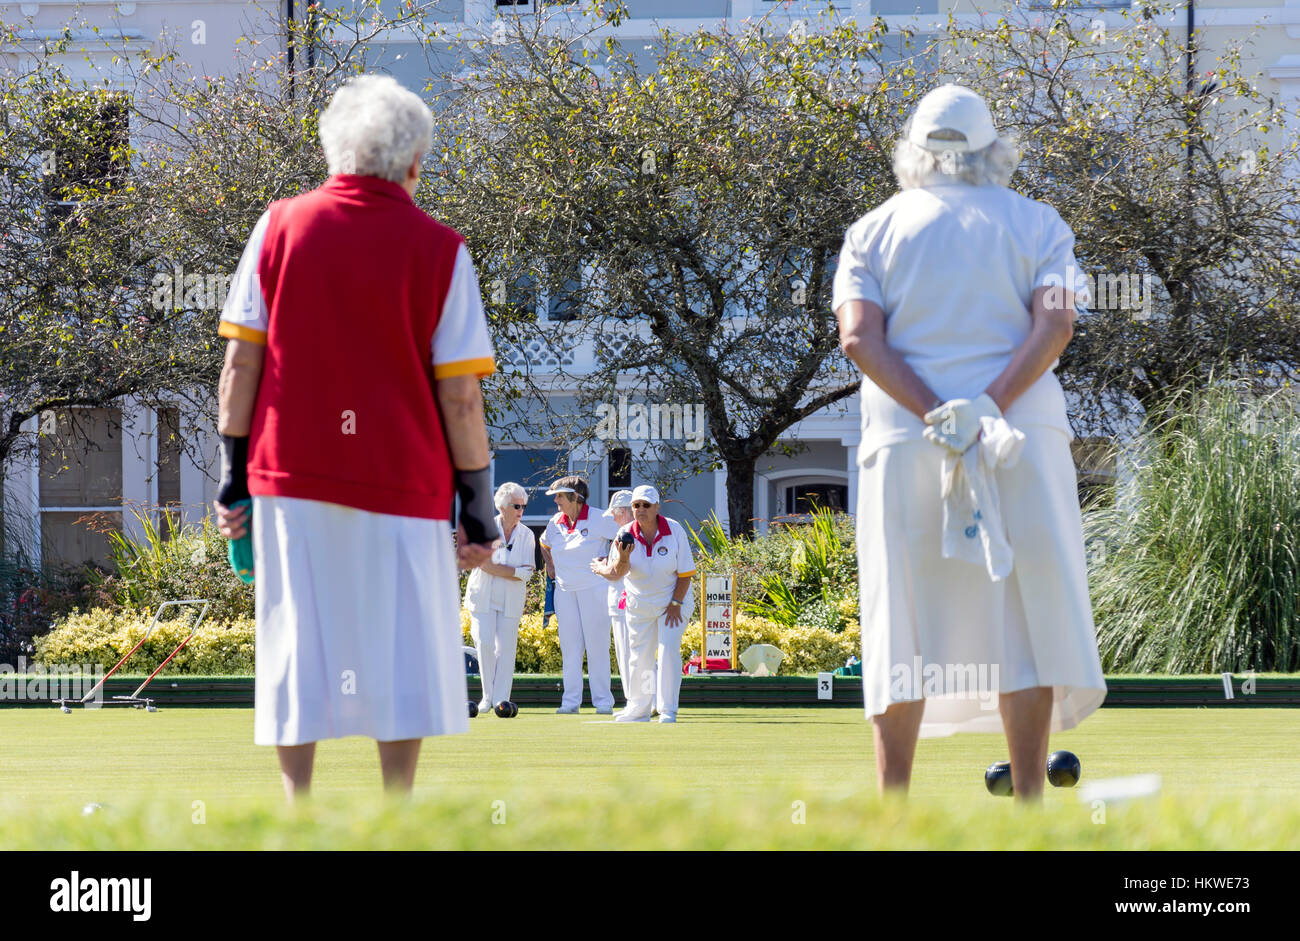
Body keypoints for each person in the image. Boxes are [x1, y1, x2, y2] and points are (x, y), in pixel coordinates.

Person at [212, 75, 498, 802]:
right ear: (414, 162)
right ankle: (395, 809)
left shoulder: (277, 226)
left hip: (290, 475)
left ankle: (295, 808)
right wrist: (480, 507)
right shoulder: (440, 249)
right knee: (402, 649)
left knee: (294, 639)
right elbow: (461, 395)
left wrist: (230, 472)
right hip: (403, 478)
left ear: (333, 151)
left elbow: (241, 361)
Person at [831, 83, 1106, 800]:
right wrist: (984, 407)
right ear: (991, 150)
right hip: (1017, 436)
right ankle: (1028, 805)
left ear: (915, 151)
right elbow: (1056, 325)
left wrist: (938, 412)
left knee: (902, 619)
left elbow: (860, 337)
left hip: (904, 439)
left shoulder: (873, 229)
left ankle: (895, 810)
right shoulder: (1039, 223)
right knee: (1027, 616)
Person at [593, 485, 696, 723]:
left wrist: (675, 603)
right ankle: (640, 708)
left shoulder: (675, 531)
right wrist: (625, 557)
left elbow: (686, 573)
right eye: (637, 505)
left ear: (657, 507)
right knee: (640, 657)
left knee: (668, 649)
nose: (641, 509)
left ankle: (667, 709)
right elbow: (618, 573)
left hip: (674, 601)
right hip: (639, 603)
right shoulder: (624, 534)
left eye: (646, 505)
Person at [539, 476, 620, 714]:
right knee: (570, 648)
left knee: (597, 647)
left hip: (595, 590)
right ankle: (570, 702)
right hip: (565, 592)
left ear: (576, 498)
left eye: (560, 496)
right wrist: (551, 567)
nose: (556, 501)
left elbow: (625, 536)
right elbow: (544, 543)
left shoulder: (600, 518)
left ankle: (603, 702)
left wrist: (612, 559)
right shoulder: (556, 522)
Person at [464, 482, 535, 714]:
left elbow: (529, 570)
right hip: (483, 596)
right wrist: (514, 572)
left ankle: (501, 700)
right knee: (484, 642)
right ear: (503, 506)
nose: (521, 510)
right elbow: (485, 565)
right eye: (516, 505)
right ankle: (487, 696)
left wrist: (505, 570)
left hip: (510, 600)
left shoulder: (527, 535)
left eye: (523, 505)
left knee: (505, 649)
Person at [601, 490, 635, 701]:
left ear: (622, 511)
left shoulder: (624, 534)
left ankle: (635, 700)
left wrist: (599, 568)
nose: (612, 517)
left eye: (614, 513)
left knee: (627, 655)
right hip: (630, 601)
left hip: (624, 603)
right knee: (638, 655)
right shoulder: (634, 533)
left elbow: (615, 573)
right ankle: (648, 700)